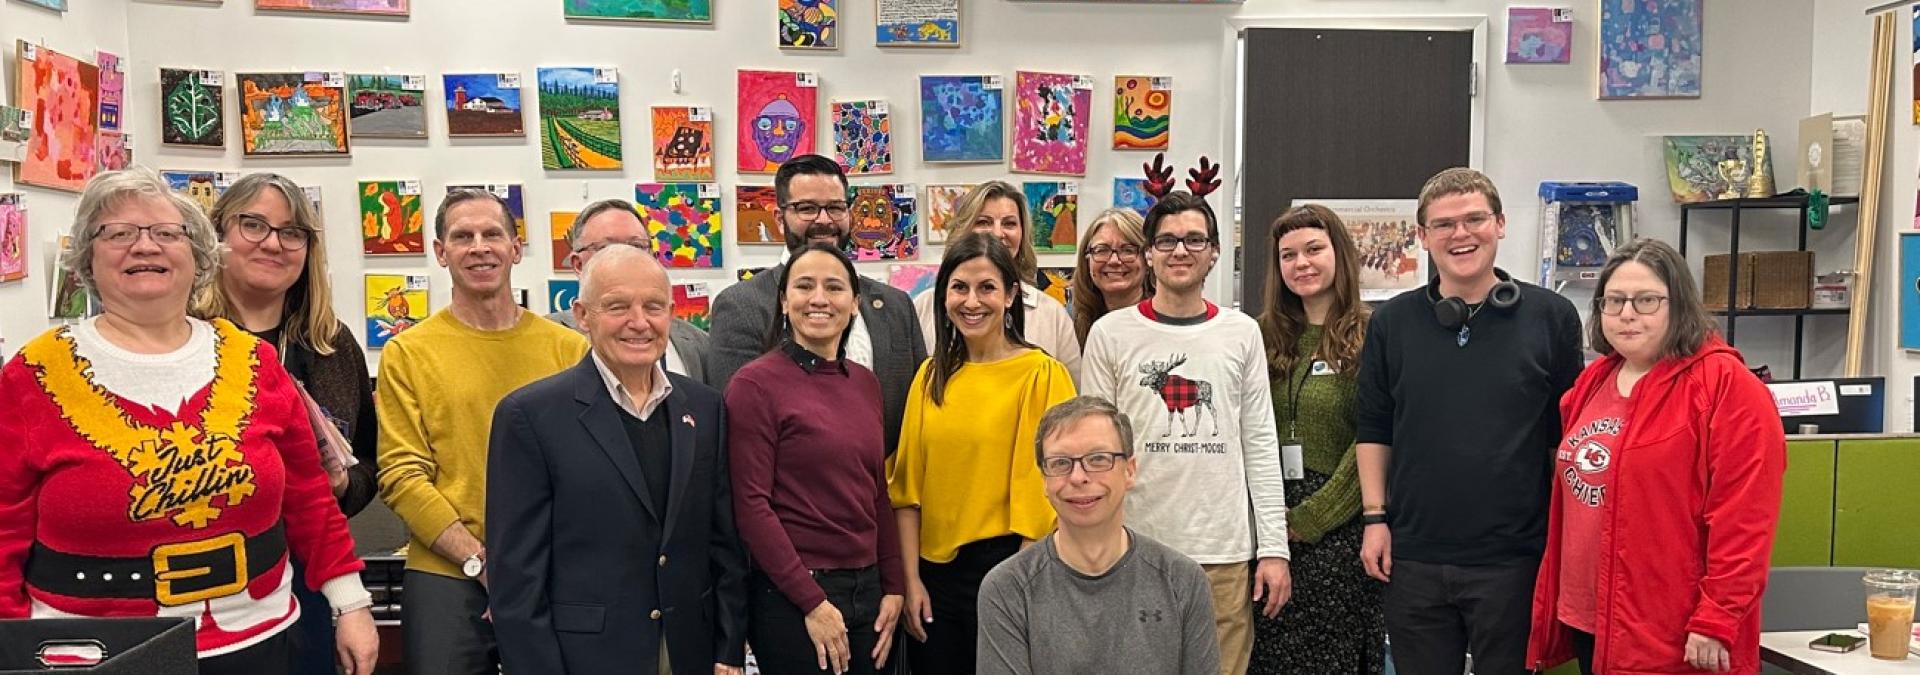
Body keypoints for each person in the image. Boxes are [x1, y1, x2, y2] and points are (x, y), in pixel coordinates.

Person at [0, 167, 377, 675]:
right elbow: (5, 525)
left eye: (166, 233)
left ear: (198, 254)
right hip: (92, 651)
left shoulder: (254, 362)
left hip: (262, 640)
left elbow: (309, 497)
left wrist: (350, 604)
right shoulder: (33, 375)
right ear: (86, 257)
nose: (145, 246)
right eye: (118, 233)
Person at [1353, 168, 1583, 675]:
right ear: (1422, 237)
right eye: (1443, 224)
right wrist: (1375, 520)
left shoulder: (1552, 317)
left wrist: (1566, 540)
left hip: (1516, 558)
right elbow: (1374, 428)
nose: (1461, 234)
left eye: (1474, 219)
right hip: (1414, 556)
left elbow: (1563, 438)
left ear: (1500, 224)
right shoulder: (1392, 323)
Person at [1526, 239, 1785, 675]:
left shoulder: (1726, 386)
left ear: (1679, 303)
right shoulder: (1594, 381)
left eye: (1646, 300)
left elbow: (1745, 519)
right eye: (1614, 300)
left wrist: (1717, 617)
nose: (1628, 313)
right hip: (1592, 618)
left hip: (1673, 632)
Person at [489, 244, 748, 675]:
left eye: (654, 306)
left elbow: (724, 543)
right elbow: (516, 578)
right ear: (582, 315)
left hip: (691, 651)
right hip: (585, 658)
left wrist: (729, 648)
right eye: (617, 307)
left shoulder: (705, 408)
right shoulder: (530, 416)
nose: (639, 322)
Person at [376, 188, 588, 675]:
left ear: (515, 249)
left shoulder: (568, 350)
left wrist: (527, 567)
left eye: (493, 234)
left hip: (551, 568)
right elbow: (402, 475)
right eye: (462, 236)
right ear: (440, 252)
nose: (479, 247)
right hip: (447, 571)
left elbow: (585, 470)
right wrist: (481, 561)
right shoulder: (408, 353)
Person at [1080, 190, 1291, 675]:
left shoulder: (1241, 333)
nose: (1181, 250)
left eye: (1195, 240)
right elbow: (1095, 451)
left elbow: (1259, 442)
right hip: (1133, 549)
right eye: (1168, 240)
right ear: (1149, 253)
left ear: (1215, 251)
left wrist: (1273, 549)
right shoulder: (1111, 334)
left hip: (1222, 552)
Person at [191, 172, 382, 675]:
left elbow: (369, 468)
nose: (273, 243)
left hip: (312, 572)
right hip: (201, 575)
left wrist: (342, 483)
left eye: (291, 232)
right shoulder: (179, 337)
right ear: (218, 234)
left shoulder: (332, 346)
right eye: (253, 225)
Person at [889, 232, 1076, 675]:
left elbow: (1050, 492)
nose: (972, 301)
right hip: (934, 577)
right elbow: (907, 491)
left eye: (987, 287)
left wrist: (1024, 588)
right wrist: (911, 579)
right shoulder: (930, 377)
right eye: (959, 287)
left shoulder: (1043, 374)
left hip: (1014, 566)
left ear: (1011, 295)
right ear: (944, 295)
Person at [728, 242, 905, 675]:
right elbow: (750, 505)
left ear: (855, 303)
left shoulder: (865, 383)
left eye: (835, 287)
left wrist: (894, 585)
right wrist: (811, 602)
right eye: (804, 286)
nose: (820, 299)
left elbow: (876, 492)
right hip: (796, 594)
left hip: (869, 591)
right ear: (784, 302)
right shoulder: (754, 385)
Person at [976, 396, 1220, 675]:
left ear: (1129, 470)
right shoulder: (1008, 589)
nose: (1078, 477)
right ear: (1044, 480)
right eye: (1060, 463)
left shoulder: (1183, 581)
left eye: (1098, 459)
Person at [706, 154, 924, 453]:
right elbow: (739, 431)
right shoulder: (741, 306)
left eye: (835, 208)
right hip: (790, 495)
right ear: (779, 218)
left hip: (884, 495)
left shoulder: (896, 305)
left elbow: (917, 416)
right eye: (806, 208)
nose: (824, 220)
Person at [1248, 204, 1383, 674]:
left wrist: (1313, 517)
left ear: (1338, 254)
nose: (1301, 263)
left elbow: (1377, 434)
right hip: (1267, 521)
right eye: (1288, 255)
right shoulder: (1260, 334)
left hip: (1338, 530)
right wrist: (1271, 521)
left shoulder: (1373, 334)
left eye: (1313, 250)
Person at [912, 181, 1079, 378]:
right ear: (963, 230)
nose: (998, 233)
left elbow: (1073, 400)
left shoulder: (1051, 315)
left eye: (1009, 223)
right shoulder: (923, 307)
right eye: (984, 222)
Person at [546, 199, 710, 380]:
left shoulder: (697, 343)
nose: (625, 257)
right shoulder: (547, 338)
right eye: (606, 248)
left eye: (637, 246)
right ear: (578, 264)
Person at [1070, 208, 1151, 346]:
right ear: (1087, 260)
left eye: (1128, 250)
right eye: (1102, 250)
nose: (1114, 261)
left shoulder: (1166, 321)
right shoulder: (1069, 323)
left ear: (1148, 259)